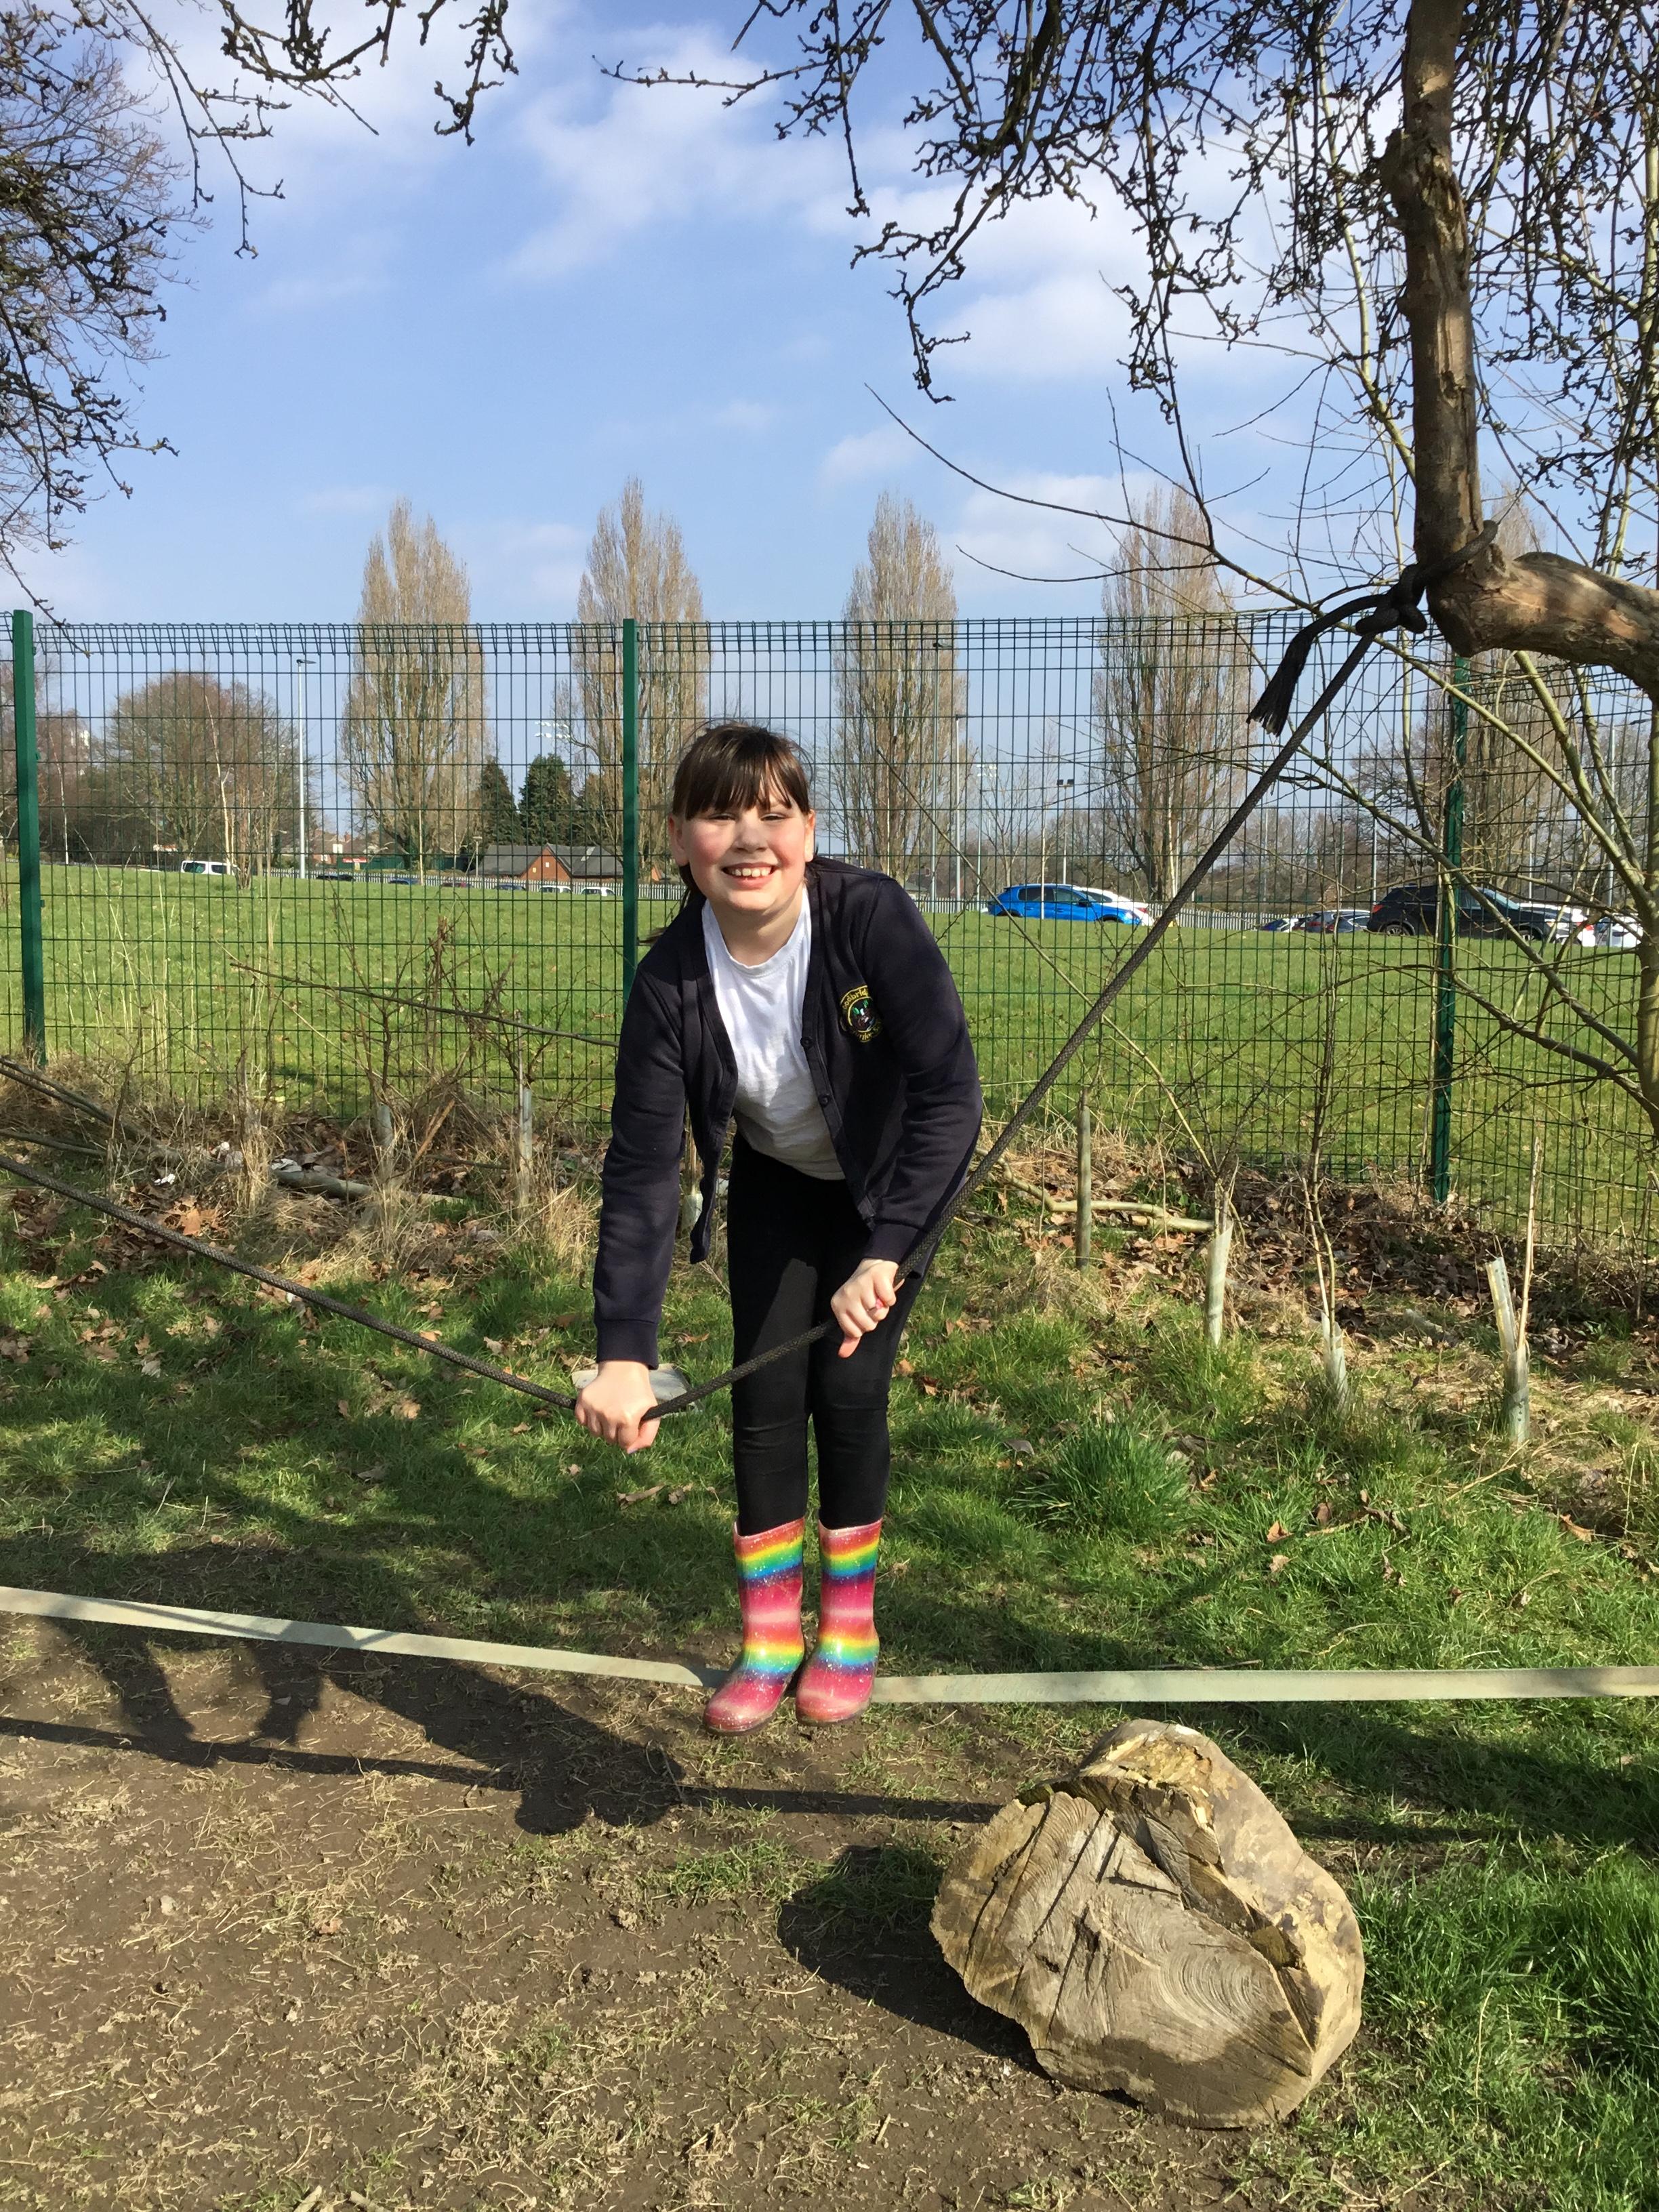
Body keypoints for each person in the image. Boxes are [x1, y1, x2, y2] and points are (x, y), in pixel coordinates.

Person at [575, 722, 982, 1732]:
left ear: (808, 831)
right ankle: (768, 1638)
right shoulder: (669, 982)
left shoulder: (870, 920)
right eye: (720, 815)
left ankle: (848, 1626)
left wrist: (888, 1249)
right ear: (680, 840)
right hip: (780, 1182)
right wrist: (624, 1354)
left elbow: (949, 1096)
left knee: (846, 1387)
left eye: (775, 813)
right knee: (762, 1398)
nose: (750, 838)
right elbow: (641, 1172)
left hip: (889, 1191)